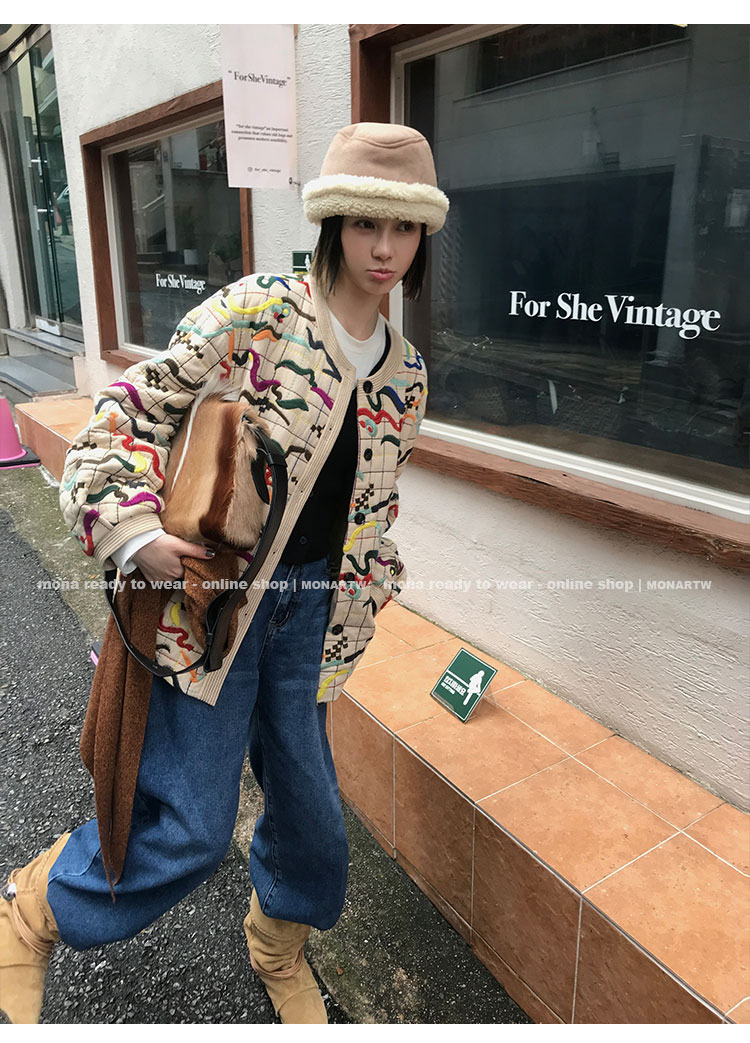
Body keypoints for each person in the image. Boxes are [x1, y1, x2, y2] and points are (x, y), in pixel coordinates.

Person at [0, 122, 448, 1025]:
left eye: (403, 228)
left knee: (314, 824)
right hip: (217, 606)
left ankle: (275, 943)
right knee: (192, 830)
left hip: (313, 617)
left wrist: (368, 588)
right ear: (334, 223)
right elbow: (127, 412)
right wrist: (131, 529)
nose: (385, 248)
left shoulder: (406, 374)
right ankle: (32, 910)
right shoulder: (260, 313)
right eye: (366, 223)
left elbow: (371, 502)